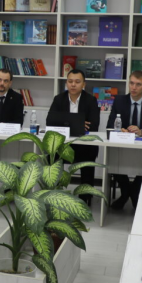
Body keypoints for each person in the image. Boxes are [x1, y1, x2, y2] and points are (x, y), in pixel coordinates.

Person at [106, 70, 142, 209]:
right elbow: (110, 124)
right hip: (123, 145)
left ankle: (131, 192)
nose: (134, 87)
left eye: (138, 84)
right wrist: (121, 130)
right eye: (131, 83)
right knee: (113, 159)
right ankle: (128, 192)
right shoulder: (119, 101)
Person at [47, 69, 101, 203]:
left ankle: (85, 197)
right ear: (66, 83)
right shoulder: (59, 99)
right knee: (50, 155)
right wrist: (77, 124)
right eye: (70, 81)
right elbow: (50, 121)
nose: (73, 84)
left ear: (83, 84)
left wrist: (66, 123)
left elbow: (94, 125)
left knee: (88, 156)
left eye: (77, 82)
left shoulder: (91, 100)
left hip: (84, 145)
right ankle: (53, 192)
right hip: (63, 144)